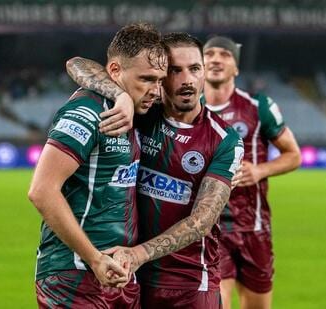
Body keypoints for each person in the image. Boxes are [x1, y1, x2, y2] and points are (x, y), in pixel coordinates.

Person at [66, 32, 244, 309]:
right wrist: (120, 95)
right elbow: (76, 63)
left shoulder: (224, 139)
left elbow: (203, 220)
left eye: (195, 69)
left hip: (189, 284)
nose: (187, 80)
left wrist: (138, 254)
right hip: (130, 279)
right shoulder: (141, 111)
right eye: (175, 70)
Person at [28, 23, 168, 308]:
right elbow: (41, 191)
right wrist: (94, 257)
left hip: (118, 274)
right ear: (115, 71)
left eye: (160, 80)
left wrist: (126, 96)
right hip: (75, 274)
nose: (156, 90)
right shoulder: (87, 112)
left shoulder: (136, 113)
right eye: (147, 79)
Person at [202, 35, 301, 309]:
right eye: (209, 54)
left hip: (253, 227)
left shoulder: (258, 108)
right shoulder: (188, 109)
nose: (216, 60)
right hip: (209, 226)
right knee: (216, 301)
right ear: (200, 63)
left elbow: (293, 155)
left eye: (225, 55)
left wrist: (260, 170)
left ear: (236, 68)